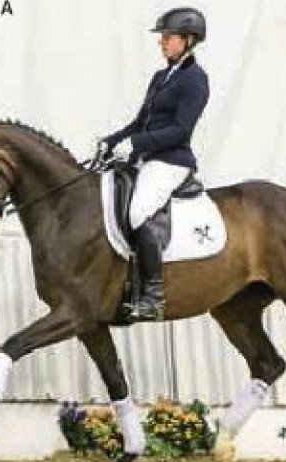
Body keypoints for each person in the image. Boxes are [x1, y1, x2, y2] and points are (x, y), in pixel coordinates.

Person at [99, 7, 210, 320]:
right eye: (162, 37)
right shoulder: (161, 77)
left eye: (168, 37)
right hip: (147, 158)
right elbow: (140, 122)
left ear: (188, 40)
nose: (161, 42)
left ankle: (153, 295)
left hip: (171, 161)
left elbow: (180, 130)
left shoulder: (195, 80)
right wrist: (111, 141)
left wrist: (135, 144)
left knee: (137, 212)